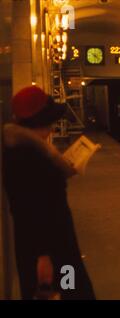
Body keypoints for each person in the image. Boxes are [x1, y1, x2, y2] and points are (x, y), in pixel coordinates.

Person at [2, 86, 95, 300]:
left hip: (38, 249)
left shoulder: (20, 151)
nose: (52, 129)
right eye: (49, 123)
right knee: (69, 291)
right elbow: (34, 210)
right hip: (53, 253)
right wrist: (44, 257)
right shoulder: (31, 159)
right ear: (39, 124)